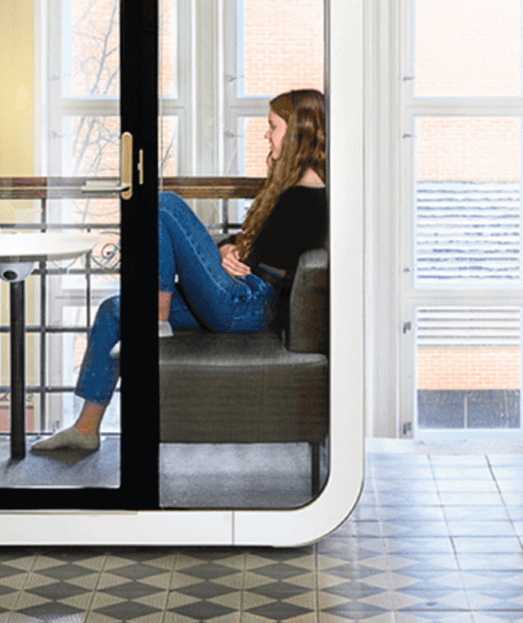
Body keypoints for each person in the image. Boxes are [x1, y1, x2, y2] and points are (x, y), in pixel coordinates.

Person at [33, 88, 328, 452]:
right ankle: (86, 428)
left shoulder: (306, 196)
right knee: (113, 311)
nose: (267, 135)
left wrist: (232, 258)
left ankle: (157, 319)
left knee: (164, 204)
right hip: (239, 294)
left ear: (298, 132)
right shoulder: (291, 191)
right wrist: (225, 249)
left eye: (273, 127)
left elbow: (267, 266)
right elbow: (257, 244)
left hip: (248, 304)